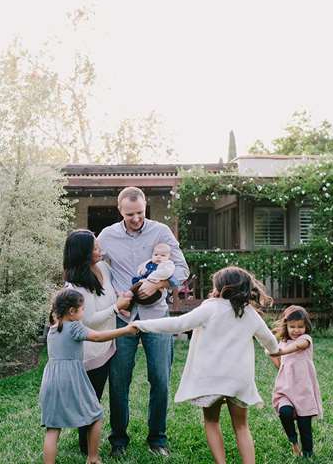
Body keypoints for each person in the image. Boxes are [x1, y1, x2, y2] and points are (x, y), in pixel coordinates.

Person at [132, 266, 280, 464]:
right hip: (239, 380)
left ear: (222, 287)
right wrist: (273, 353)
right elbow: (270, 342)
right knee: (242, 427)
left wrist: (140, 325)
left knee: (212, 422)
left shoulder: (210, 308)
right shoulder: (250, 314)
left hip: (211, 379)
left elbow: (178, 325)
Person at [97, 186, 189, 457]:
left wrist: (160, 283)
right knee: (118, 380)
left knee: (160, 378)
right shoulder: (107, 236)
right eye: (129, 214)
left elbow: (182, 269)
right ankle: (118, 441)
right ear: (119, 210)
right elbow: (97, 269)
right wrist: (113, 295)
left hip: (156, 316)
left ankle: (157, 438)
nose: (136, 218)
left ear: (145, 207)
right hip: (122, 318)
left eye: (139, 213)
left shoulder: (161, 232)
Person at [40, 288, 137, 464]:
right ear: (72, 311)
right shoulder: (74, 326)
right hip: (71, 377)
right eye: (83, 309)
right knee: (95, 415)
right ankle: (93, 458)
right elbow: (98, 337)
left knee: (53, 428)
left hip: (51, 378)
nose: (84, 312)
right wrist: (125, 330)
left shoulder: (54, 327)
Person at [62, 229, 132, 455]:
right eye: (94, 248)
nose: (100, 250)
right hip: (91, 352)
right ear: (83, 253)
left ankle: (114, 438)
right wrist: (117, 307)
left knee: (111, 393)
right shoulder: (77, 286)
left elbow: (112, 292)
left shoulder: (103, 268)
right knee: (92, 400)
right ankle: (86, 448)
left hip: (109, 342)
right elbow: (89, 321)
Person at [269, 305, 323, 458]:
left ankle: (307, 454)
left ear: (306, 326)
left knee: (304, 425)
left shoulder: (306, 340)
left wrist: (278, 351)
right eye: (292, 326)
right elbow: (280, 365)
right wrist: (272, 353)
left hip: (303, 391)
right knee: (284, 412)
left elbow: (297, 346)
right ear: (286, 326)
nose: (296, 330)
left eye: (300, 326)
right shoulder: (282, 344)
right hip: (285, 389)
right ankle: (294, 442)